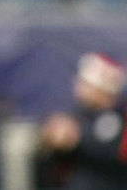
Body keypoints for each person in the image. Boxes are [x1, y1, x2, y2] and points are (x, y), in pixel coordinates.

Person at [33, 52, 127, 189]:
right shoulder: (78, 113)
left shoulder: (118, 117)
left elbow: (114, 153)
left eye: (87, 83)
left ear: (103, 89)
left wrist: (75, 140)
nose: (79, 86)